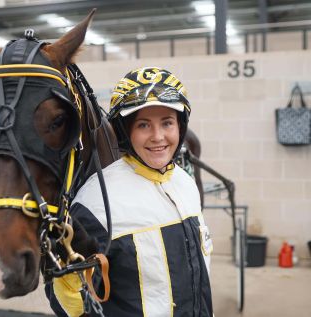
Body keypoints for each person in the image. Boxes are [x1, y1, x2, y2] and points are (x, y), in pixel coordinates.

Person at [46, 67, 213, 317]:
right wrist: (67, 281)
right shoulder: (96, 203)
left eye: (167, 123)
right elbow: (68, 308)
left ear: (180, 126)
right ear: (125, 131)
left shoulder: (185, 183)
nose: (158, 137)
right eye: (143, 125)